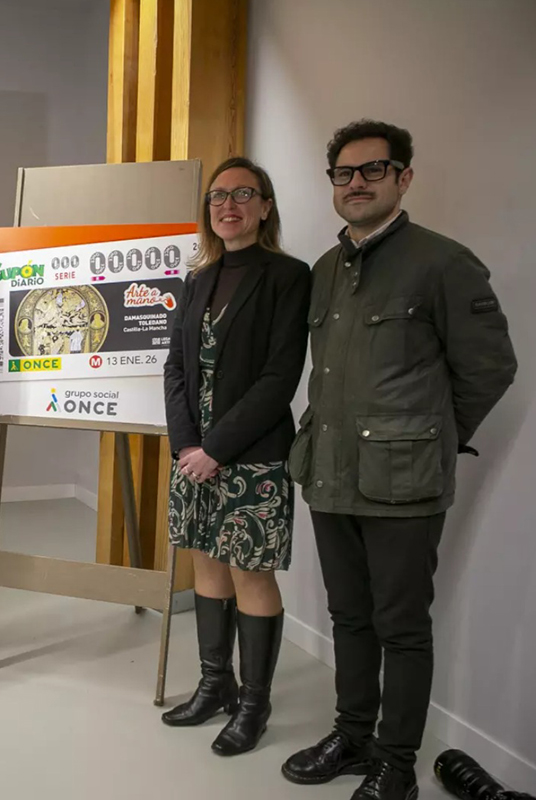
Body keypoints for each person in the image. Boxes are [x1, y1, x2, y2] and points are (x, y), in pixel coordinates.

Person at [282, 120, 516, 800]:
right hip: (328, 475)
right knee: (348, 617)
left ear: (403, 177)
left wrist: (426, 439)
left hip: (403, 489)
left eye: (373, 170)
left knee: (402, 625)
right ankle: (352, 735)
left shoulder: (443, 262)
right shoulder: (326, 270)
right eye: (344, 174)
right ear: (332, 185)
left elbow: (490, 367)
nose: (356, 183)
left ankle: (396, 762)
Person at [162, 157, 311, 755]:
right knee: (206, 568)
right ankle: (213, 685)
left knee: (251, 573)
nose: (229, 205)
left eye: (244, 194)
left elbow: (280, 378)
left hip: (252, 455)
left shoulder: (288, 276)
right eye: (218, 196)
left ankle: (254, 705)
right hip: (193, 454)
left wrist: (216, 450)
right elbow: (176, 369)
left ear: (265, 206)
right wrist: (187, 447)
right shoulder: (197, 279)